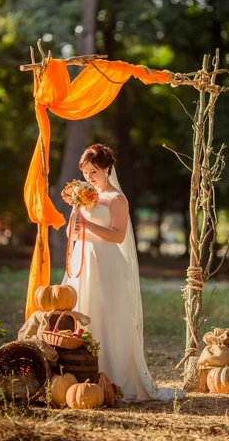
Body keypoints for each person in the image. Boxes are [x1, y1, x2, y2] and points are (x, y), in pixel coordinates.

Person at [62, 143, 184, 401]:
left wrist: (87, 225)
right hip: (82, 259)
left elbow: (117, 236)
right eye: (85, 172)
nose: (88, 178)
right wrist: (75, 220)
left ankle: (113, 377)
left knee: (107, 315)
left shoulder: (117, 199)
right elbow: (72, 232)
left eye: (93, 171)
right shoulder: (83, 195)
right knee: (82, 311)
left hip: (106, 261)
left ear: (107, 169)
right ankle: (80, 372)